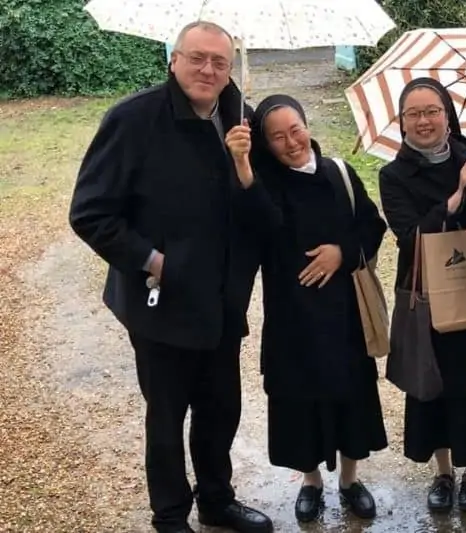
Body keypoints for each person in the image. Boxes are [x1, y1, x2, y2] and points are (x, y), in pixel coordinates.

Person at [68, 21, 272, 533]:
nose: (208, 70)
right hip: (160, 300)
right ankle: (170, 514)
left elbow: (259, 211)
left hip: (223, 298)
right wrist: (156, 262)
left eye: (220, 63)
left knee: (221, 407)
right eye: (197, 58)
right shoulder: (133, 120)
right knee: (166, 417)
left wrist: (246, 165)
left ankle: (217, 500)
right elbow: (90, 213)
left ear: (230, 70)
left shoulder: (240, 119)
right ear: (173, 60)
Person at [224, 94, 389, 524]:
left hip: (344, 314)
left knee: (351, 396)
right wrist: (243, 168)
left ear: (307, 124)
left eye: (295, 129)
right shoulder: (264, 181)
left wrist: (342, 252)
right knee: (298, 402)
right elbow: (262, 229)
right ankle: (311, 480)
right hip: (292, 315)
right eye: (277, 137)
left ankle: (351, 480)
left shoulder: (339, 173)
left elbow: (372, 226)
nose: (290, 142)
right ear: (266, 142)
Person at [378, 77, 466, 513]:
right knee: (434, 383)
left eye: (433, 111)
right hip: (429, 294)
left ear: (448, 116)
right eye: (414, 113)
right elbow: (409, 237)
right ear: (402, 122)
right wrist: (453, 198)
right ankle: (443, 472)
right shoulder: (393, 175)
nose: (424, 121)